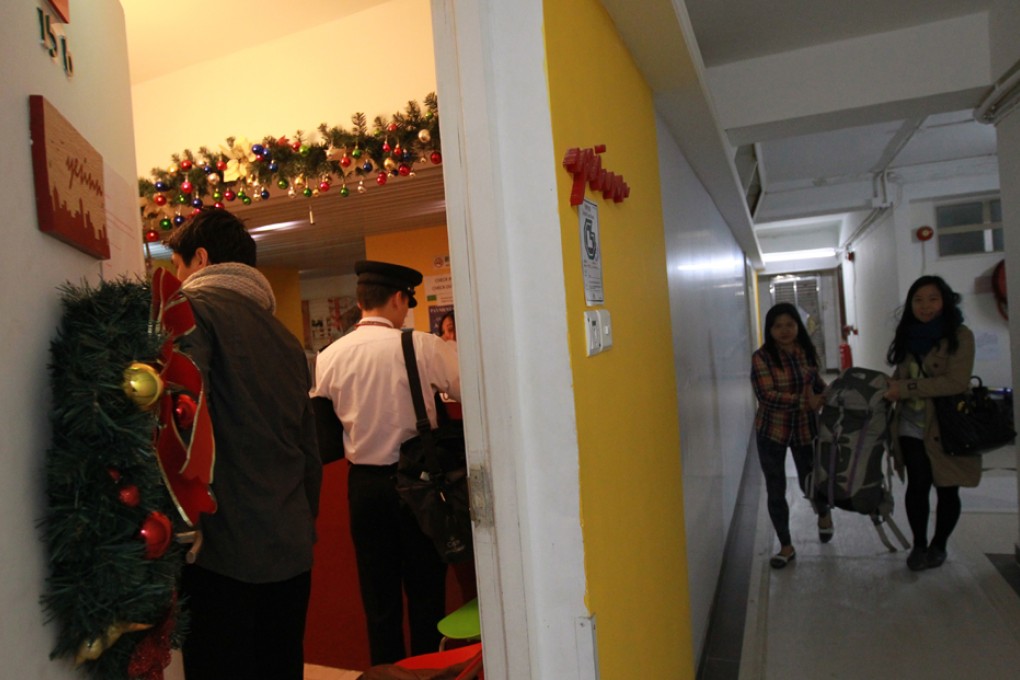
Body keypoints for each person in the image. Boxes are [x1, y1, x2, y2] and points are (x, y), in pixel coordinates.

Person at [165, 209, 322, 680]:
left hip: (223, 550)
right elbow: (308, 451)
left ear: (201, 257)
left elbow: (182, 422)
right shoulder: (285, 338)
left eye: (177, 263)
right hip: (289, 545)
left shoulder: (192, 313)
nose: (176, 276)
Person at [312, 260, 461, 665]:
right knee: (427, 596)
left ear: (360, 302)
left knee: (379, 602)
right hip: (420, 484)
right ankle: (428, 672)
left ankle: (387, 674)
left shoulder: (329, 355)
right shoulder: (423, 346)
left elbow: (324, 429)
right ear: (398, 298)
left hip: (363, 487)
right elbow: (466, 388)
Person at [884, 275, 978, 571]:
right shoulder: (908, 335)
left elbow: (955, 382)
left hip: (945, 425)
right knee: (917, 484)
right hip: (910, 423)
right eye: (918, 300)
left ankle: (939, 545)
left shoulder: (960, 335)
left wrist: (906, 388)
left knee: (948, 488)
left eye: (933, 299)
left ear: (945, 301)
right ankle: (919, 545)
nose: (925, 307)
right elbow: (902, 373)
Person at [751, 302, 829, 569]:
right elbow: (766, 395)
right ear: (769, 330)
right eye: (777, 326)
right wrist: (805, 402)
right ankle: (786, 546)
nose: (784, 331)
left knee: (812, 480)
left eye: (789, 325)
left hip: (805, 429)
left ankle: (824, 514)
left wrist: (828, 395)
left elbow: (818, 385)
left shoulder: (806, 353)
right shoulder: (761, 357)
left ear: (798, 326)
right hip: (771, 432)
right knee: (776, 489)